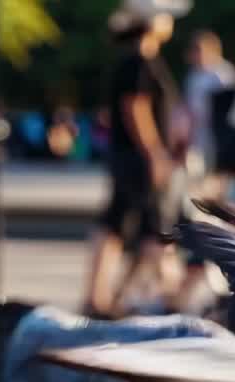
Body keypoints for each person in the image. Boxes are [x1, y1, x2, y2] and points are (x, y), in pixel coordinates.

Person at [80, 0, 190, 318]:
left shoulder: (135, 61)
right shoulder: (139, 62)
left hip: (128, 158)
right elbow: (136, 109)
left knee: (123, 223)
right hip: (137, 160)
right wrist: (155, 153)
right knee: (152, 226)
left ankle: (109, 296)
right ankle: (167, 295)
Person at [183, 30, 235, 200]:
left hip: (219, 132)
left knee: (219, 175)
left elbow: (231, 106)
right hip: (199, 132)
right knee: (198, 174)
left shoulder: (222, 73)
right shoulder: (193, 76)